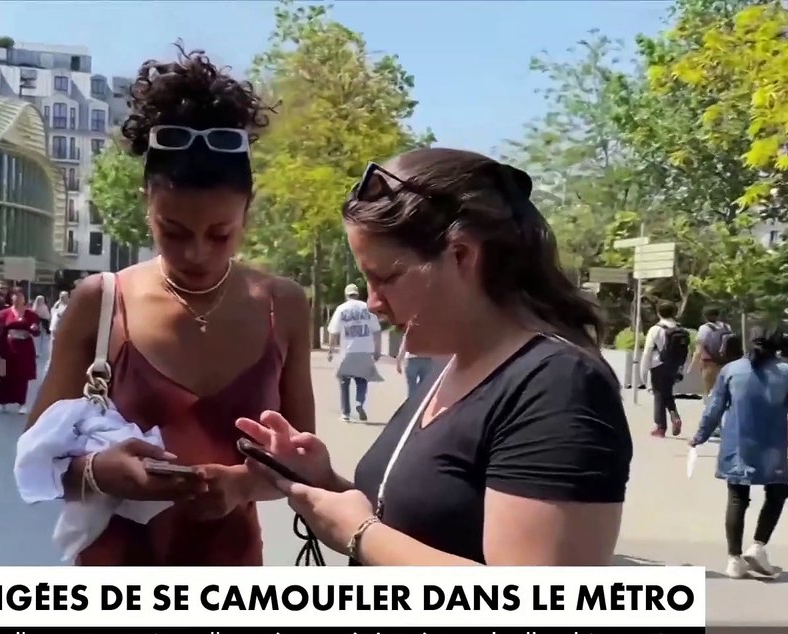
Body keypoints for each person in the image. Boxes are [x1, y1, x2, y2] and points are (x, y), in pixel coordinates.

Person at [236, 148, 632, 566]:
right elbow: (423, 521)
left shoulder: (559, 386)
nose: (373, 303)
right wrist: (325, 484)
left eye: (385, 277)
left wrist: (359, 535)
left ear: (461, 256)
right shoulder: (456, 363)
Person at [28, 44, 314, 566]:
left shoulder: (284, 305)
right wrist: (100, 471)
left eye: (220, 234)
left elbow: (303, 464)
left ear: (247, 214)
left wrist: (242, 483)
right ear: (147, 205)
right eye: (173, 231)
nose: (196, 253)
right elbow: (34, 456)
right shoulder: (101, 302)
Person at [688, 327, 788, 579]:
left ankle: (734, 559)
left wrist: (700, 435)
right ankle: (758, 545)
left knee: (738, 497)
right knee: (778, 491)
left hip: (737, 444)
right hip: (772, 445)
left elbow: (715, 406)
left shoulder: (731, 370)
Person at [326, 283, 383, 421]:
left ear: (346, 295)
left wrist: (331, 350)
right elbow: (377, 332)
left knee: (344, 381)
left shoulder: (341, 309)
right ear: (357, 294)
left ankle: (345, 413)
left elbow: (333, 332)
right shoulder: (367, 308)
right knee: (362, 380)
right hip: (364, 350)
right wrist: (377, 351)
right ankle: (359, 403)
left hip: (348, 351)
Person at [641, 300, 689, 437]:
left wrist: (643, 371)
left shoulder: (655, 329)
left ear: (658, 312)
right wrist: (681, 369)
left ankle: (660, 427)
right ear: (674, 312)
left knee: (659, 395)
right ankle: (675, 417)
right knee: (667, 393)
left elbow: (648, 351)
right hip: (674, 365)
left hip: (658, 365)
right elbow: (686, 351)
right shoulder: (680, 329)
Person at [0, 288, 41, 414]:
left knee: (22, 377)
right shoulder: (3, 314)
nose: (17, 298)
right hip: (8, 346)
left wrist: (34, 329)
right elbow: (0, 333)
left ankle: (22, 403)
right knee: (5, 376)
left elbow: (37, 332)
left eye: (20, 296)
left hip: (25, 347)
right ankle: (3, 402)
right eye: (15, 295)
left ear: (24, 298)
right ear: (11, 297)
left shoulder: (31, 314)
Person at [688, 307, 736, 399]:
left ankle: (708, 405)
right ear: (718, 316)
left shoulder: (704, 328)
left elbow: (699, 349)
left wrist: (692, 366)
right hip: (726, 361)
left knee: (709, 388)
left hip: (710, 362)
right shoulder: (727, 326)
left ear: (704, 316)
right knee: (724, 387)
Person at [395, 331, 443, 398]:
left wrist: (398, 362)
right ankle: (419, 403)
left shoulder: (411, 331)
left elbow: (404, 347)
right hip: (427, 360)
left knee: (412, 387)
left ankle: (412, 405)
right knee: (425, 388)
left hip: (412, 360)